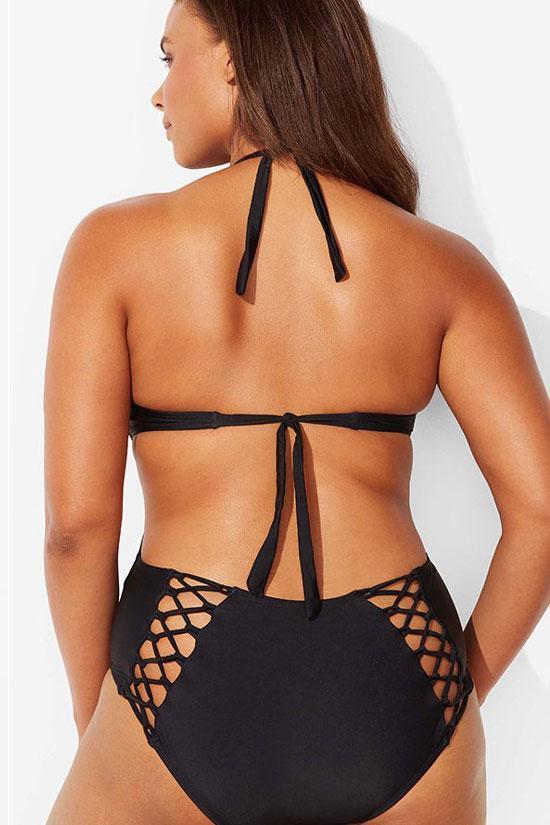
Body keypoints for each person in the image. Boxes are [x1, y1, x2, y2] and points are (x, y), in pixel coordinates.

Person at [43, 1, 550, 824]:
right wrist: (451, 690)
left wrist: (102, 717)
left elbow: (75, 531)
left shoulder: (115, 248)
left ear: (235, 59)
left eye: (169, 56)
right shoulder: (445, 268)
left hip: (177, 659)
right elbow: (543, 512)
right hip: (400, 667)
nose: (158, 92)